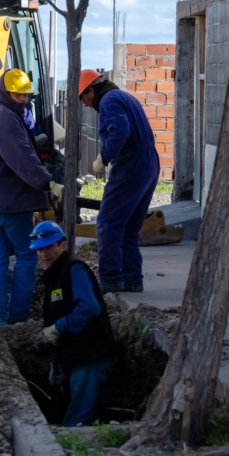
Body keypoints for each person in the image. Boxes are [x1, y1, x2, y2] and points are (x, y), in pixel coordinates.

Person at [0, 68, 62, 325]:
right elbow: (21, 158)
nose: (23, 100)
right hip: (9, 203)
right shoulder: (5, 119)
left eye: (26, 95)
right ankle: (17, 319)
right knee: (25, 255)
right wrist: (48, 183)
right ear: (6, 92)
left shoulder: (3, 115)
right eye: (18, 95)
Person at [78, 68, 160, 294]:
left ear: (91, 90)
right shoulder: (125, 97)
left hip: (131, 165)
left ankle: (111, 280)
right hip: (149, 164)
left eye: (83, 97)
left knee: (108, 224)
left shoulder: (109, 101)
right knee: (130, 228)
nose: (84, 103)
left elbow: (120, 131)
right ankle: (132, 280)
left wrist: (104, 157)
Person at [30, 220, 117, 427]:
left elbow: (89, 308)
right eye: (39, 250)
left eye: (49, 247)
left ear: (63, 245)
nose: (43, 254)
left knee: (76, 421)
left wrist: (59, 327)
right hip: (76, 357)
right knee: (71, 411)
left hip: (91, 357)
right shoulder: (53, 277)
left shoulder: (74, 270)